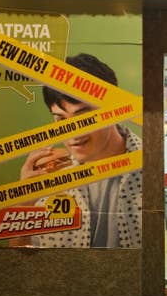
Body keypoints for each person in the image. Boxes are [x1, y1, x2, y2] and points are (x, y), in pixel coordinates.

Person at [19, 53, 142, 248]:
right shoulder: (51, 174)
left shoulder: (149, 166)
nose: (72, 134)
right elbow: (21, 262)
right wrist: (24, 204)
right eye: (61, 120)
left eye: (84, 118)